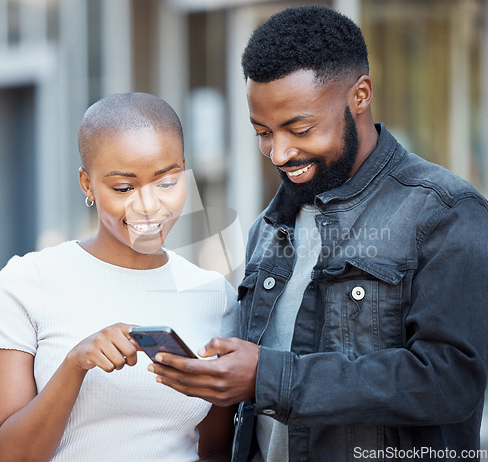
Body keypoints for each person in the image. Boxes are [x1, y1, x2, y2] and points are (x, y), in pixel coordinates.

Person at [149, 6, 488, 462]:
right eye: (262, 133)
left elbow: (449, 383)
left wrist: (269, 377)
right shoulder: (268, 228)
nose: (279, 153)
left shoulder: (445, 214)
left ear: (361, 95)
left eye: (300, 129)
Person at [0, 92, 238, 461]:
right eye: (124, 188)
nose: (149, 205)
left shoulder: (215, 295)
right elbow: (4, 456)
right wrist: (76, 364)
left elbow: (215, 449)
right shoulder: (29, 281)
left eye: (166, 182)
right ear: (87, 185)